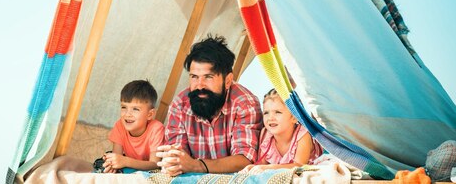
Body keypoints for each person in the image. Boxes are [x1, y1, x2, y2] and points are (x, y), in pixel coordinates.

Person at [157, 35, 263, 176]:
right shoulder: (179, 105)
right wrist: (172, 164)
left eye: (208, 77)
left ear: (228, 80)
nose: (199, 85)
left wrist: (196, 165)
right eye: (194, 77)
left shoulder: (245, 103)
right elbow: (177, 157)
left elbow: (245, 159)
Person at [25, 80, 163, 182]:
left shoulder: (156, 129)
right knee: (102, 163)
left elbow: (155, 164)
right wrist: (112, 164)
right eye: (123, 107)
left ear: (150, 115)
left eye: (135, 109)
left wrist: (125, 161)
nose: (127, 114)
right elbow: (116, 157)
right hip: (126, 165)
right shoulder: (120, 126)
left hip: (146, 170)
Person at [241, 88, 322, 173]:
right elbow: (261, 164)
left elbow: (300, 166)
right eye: (266, 113)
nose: (270, 118)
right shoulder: (266, 135)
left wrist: (268, 168)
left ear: (294, 117)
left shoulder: (303, 135)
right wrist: (251, 168)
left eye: (278, 112)